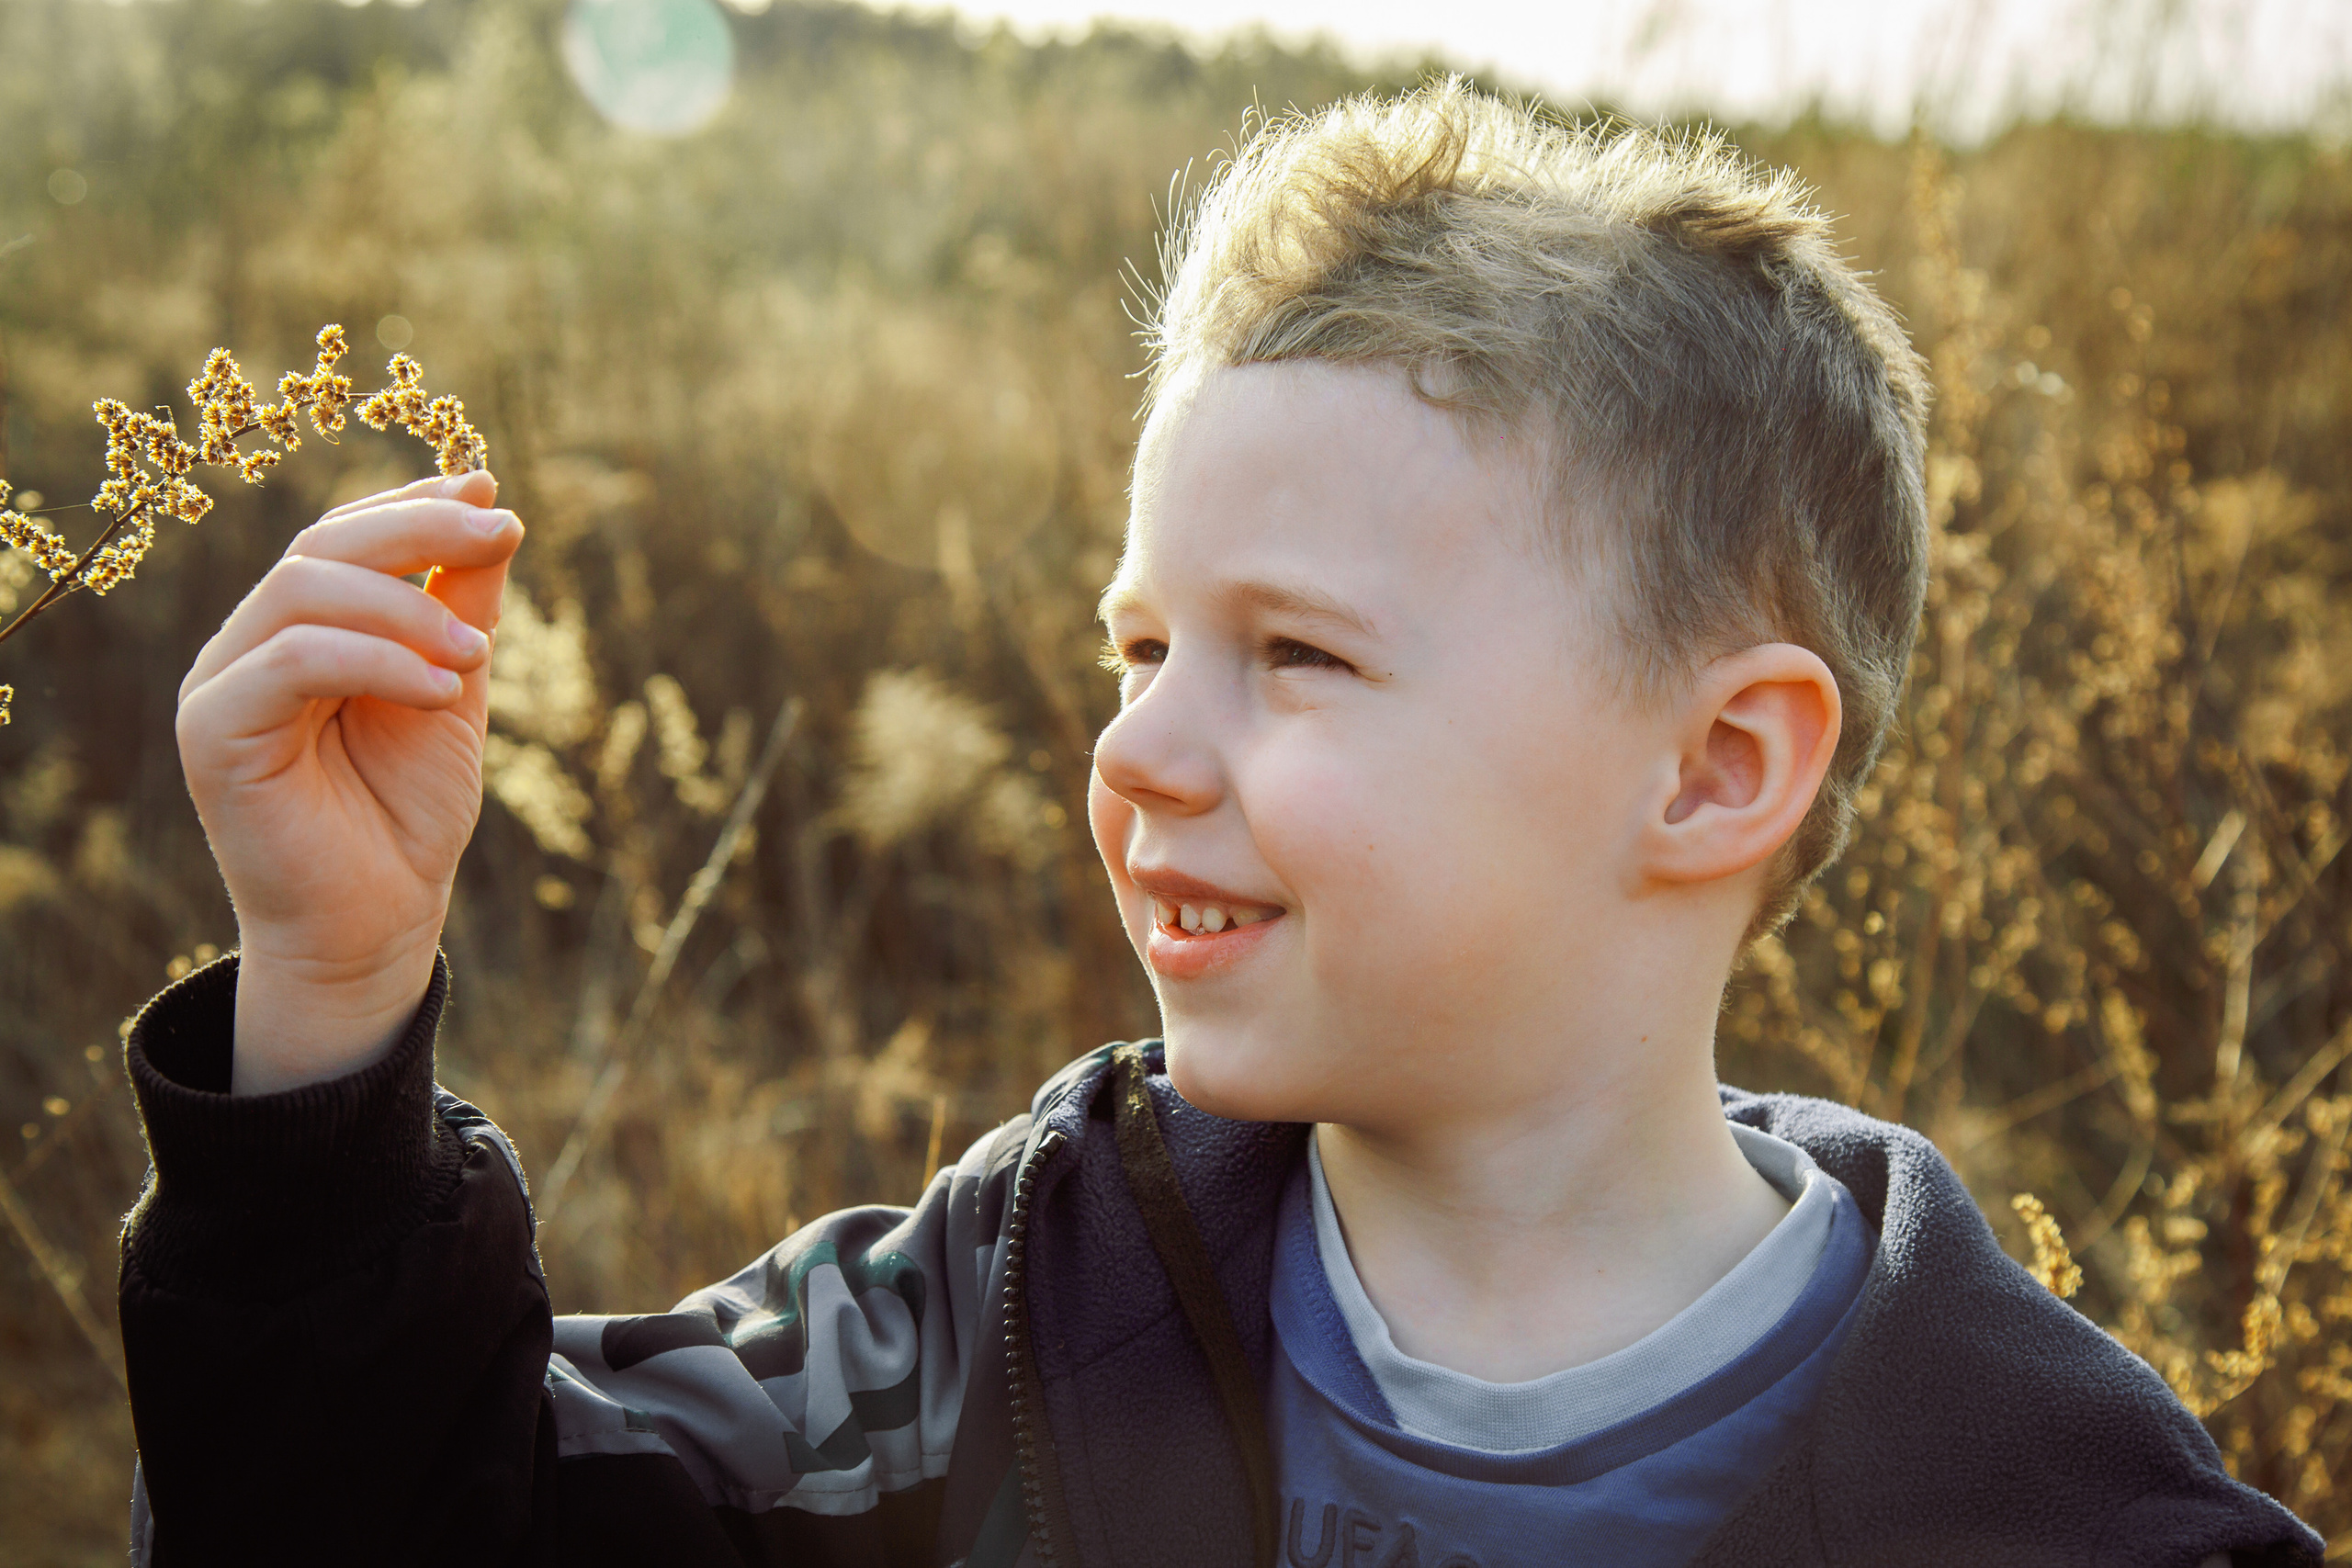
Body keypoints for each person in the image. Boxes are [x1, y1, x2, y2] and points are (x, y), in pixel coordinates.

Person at [119, 81, 2321, 1568]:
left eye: (1298, 656)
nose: (1143, 748)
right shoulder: (1015, 1301)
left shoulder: (2067, 1513)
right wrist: (328, 999)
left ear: (1716, 766)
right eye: (1133, 644)